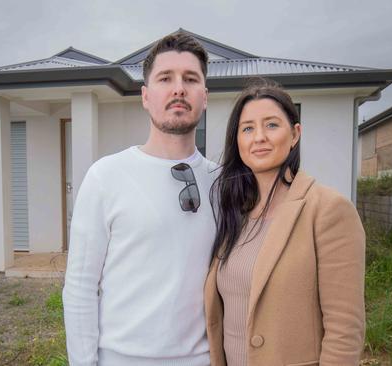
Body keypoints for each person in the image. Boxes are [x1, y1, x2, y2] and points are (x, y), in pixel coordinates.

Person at [63, 32, 217, 366]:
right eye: (165, 78)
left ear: (204, 97)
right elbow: (80, 287)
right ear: (146, 96)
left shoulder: (224, 182)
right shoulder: (106, 176)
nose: (178, 88)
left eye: (190, 79)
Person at [204, 80, 366, 365]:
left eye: (272, 125)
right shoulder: (234, 213)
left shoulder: (328, 209)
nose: (259, 137)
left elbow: (344, 329)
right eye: (248, 128)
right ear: (238, 141)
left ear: (295, 134)